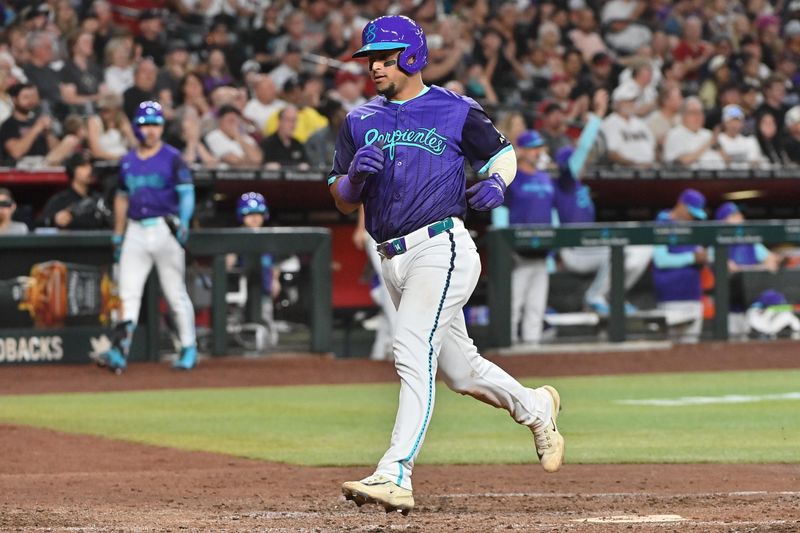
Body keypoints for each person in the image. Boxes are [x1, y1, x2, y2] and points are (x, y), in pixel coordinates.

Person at [329, 15, 564, 516]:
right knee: (461, 371)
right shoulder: (358, 120)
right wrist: (353, 180)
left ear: (413, 56)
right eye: (370, 58)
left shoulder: (454, 108)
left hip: (441, 246)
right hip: (391, 256)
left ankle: (396, 472)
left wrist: (497, 183)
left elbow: (502, 154)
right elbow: (341, 199)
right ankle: (536, 407)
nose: (374, 66)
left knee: (411, 346)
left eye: (385, 57)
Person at [98, 101, 197, 373]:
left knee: (175, 293)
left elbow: (187, 192)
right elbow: (121, 198)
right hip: (135, 229)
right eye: (145, 124)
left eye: (155, 124)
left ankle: (189, 347)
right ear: (136, 127)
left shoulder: (173, 157)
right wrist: (118, 234)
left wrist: (184, 222)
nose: (151, 130)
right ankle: (119, 351)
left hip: (165, 227)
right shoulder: (128, 160)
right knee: (127, 293)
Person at [555, 90, 652, 315]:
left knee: (644, 248)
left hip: (588, 246)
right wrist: (598, 115)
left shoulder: (579, 185)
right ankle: (595, 296)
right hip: (573, 250)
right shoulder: (565, 183)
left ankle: (614, 296)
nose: (583, 162)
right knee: (617, 248)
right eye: (576, 161)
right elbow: (583, 149)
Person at [491, 129, 554, 345]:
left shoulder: (546, 177)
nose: (537, 152)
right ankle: (508, 346)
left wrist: (554, 248)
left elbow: (552, 212)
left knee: (537, 305)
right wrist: (504, 246)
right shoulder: (513, 178)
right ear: (522, 150)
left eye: (539, 147)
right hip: (518, 252)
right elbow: (500, 210)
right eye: (533, 148)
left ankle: (532, 347)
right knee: (513, 303)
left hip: (542, 251)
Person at [651, 188, 710, 343]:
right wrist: (692, 258)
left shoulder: (691, 228)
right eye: (691, 213)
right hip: (671, 299)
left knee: (691, 351)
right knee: (669, 350)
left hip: (694, 297)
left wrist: (702, 257)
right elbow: (660, 260)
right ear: (681, 205)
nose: (692, 218)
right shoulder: (661, 223)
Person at [36, 151, 111, 230]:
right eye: (83, 165)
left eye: (91, 165)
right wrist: (54, 220)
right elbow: (40, 224)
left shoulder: (100, 199)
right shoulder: (60, 200)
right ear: (72, 170)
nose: (90, 169)